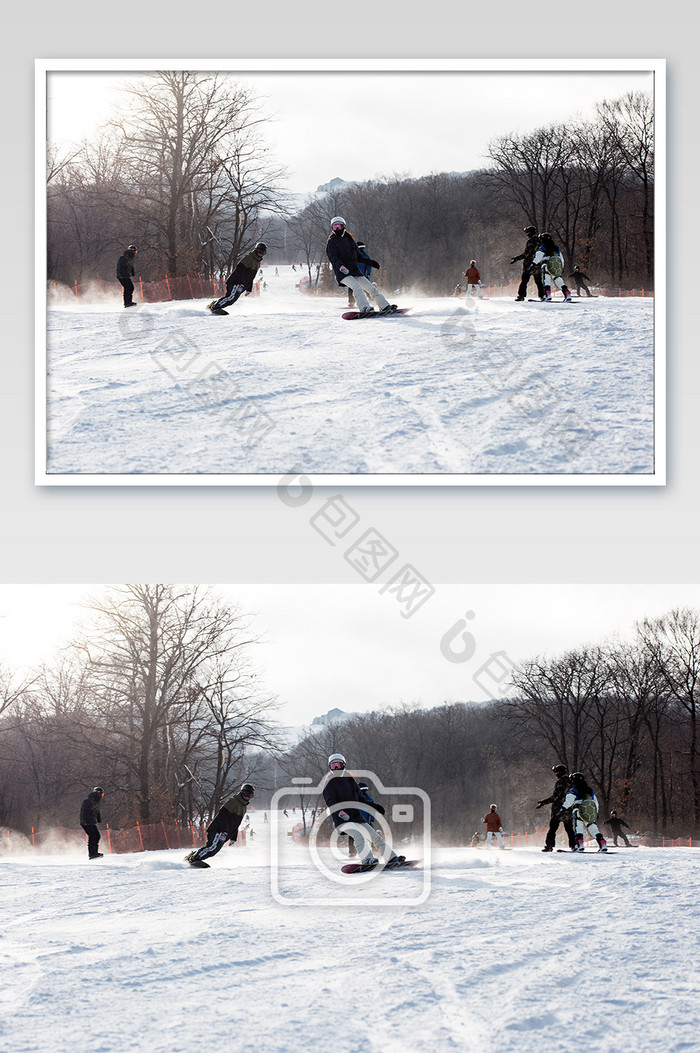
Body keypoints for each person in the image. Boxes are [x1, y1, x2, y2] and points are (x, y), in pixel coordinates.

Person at [322, 753, 405, 869]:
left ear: (343, 765)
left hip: (356, 818)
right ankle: (367, 859)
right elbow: (331, 802)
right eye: (333, 765)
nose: (336, 768)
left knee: (376, 837)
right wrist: (340, 812)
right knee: (358, 836)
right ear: (330, 767)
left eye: (338, 765)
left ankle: (391, 858)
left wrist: (375, 806)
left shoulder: (350, 781)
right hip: (342, 820)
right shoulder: (329, 784)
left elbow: (361, 799)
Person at [325, 218, 399, 317]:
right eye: (335, 226)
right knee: (357, 287)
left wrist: (371, 263)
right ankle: (364, 307)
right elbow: (333, 257)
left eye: (339, 226)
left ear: (344, 227)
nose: (337, 228)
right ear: (332, 228)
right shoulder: (332, 242)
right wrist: (341, 267)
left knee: (371, 289)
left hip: (355, 271)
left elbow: (359, 257)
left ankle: (385, 306)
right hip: (343, 273)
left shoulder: (350, 241)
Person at [186, 783, 255, 868]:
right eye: (246, 794)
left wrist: (234, 836)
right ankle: (195, 858)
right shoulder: (234, 801)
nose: (247, 797)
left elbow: (236, 823)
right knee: (212, 847)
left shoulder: (243, 807)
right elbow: (222, 815)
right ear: (241, 792)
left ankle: (192, 856)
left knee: (214, 851)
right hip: (218, 830)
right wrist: (224, 830)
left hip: (225, 833)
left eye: (250, 795)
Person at [208, 243, 267, 314]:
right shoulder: (249, 258)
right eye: (259, 251)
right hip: (235, 282)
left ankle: (214, 304)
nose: (260, 254)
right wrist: (240, 283)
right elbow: (239, 270)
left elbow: (251, 276)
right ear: (256, 250)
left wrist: (249, 288)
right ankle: (216, 307)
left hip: (242, 285)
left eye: (262, 252)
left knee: (232, 300)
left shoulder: (257, 262)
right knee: (230, 297)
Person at [561, 772, 607, 852]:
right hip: (590, 811)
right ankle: (602, 842)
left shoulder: (574, 789)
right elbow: (595, 802)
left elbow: (569, 800)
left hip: (579, 810)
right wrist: (596, 812)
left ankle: (580, 845)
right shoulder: (590, 790)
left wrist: (563, 808)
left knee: (578, 827)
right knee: (593, 827)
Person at [537, 763, 576, 852]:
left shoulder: (560, 782)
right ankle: (574, 845)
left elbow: (555, 797)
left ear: (560, 772)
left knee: (553, 828)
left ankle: (549, 846)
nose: (556, 774)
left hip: (558, 810)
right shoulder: (571, 781)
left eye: (557, 772)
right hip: (568, 809)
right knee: (569, 829)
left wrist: (544, 802)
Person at [531, 233, 573, 302]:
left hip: (546, 265)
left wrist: (533, 263)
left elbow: (538, 257)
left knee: (546, 280)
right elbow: (561, 258)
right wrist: (562, 267)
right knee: (559, 280)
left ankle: (548, 295)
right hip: (556, 265)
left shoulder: (543, 247)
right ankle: (567, 293)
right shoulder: (556, 248)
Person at [511, 225, 544, 301]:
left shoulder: (531, 241)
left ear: (531, 232)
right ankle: (542, 295)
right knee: (539, 282)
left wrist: (517, 258)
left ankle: (521, 296)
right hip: (537, 264)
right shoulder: (540, 240)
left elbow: (527, 254)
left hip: (529, 265)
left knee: (524, 281)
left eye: (528, 232)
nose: (527, 234)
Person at [80, 786, 105, 859]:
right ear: (95, 794)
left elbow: (97, 811)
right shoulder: (87, 801)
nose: (101, 797)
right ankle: (92, 854)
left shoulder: (95, 802)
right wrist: (88, 820)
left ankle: (95, 852)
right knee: (92, 836)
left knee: (97, 836)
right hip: (86, 822)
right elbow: (84, 812)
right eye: (100, 795)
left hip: (92, 822)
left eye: (102, 795)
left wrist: (98, 818)